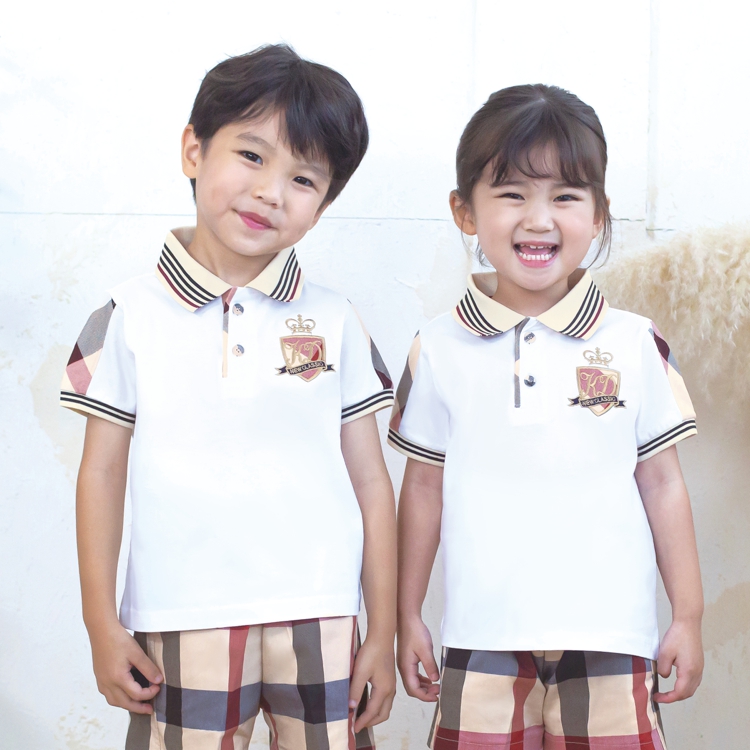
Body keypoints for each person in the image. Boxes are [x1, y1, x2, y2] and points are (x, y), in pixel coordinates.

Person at [61, 44, 397, 750]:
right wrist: (100, 622)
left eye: (302, 178)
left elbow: (372, 481)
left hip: (322, 610)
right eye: (251, 156)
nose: (271, 191)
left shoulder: (336, 319)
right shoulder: (126, 316)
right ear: (194, 150)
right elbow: (101, 474)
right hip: (181, 613)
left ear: (323, 205)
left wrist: (382, 631)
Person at [390, 84, 703, 749]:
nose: (538, 220)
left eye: (565, 196)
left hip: (613, 638)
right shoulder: (437, 347)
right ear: (465, 211)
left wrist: (689, 615)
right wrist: (406, 613)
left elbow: (663, 484)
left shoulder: (635, 342)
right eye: (512, 194)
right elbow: (422, 490)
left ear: (599, 214)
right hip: (480, 637)